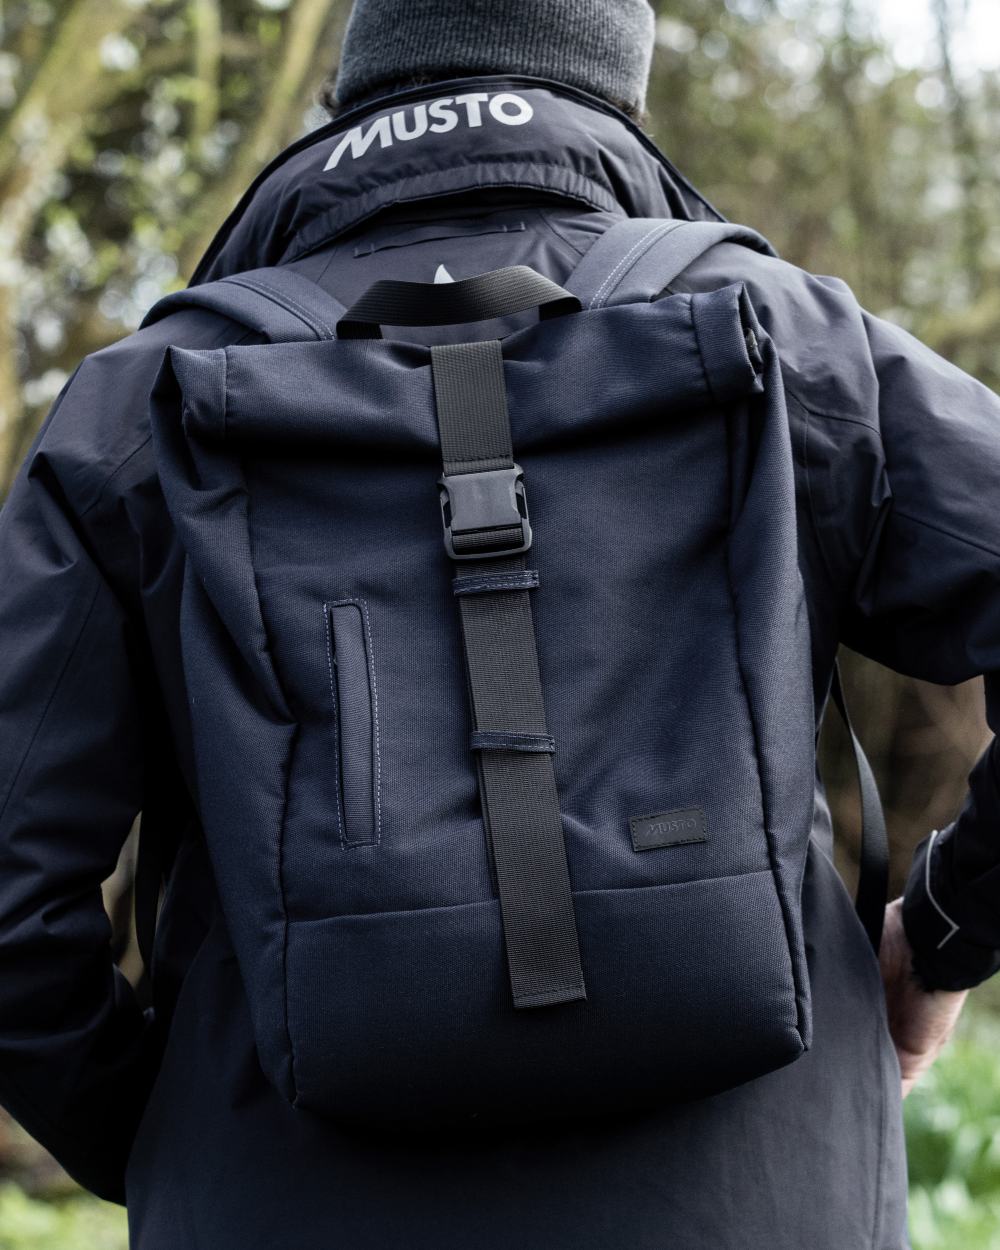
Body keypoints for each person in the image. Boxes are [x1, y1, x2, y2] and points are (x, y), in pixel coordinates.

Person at [0, 1, 994, 1245]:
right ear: (616, 94)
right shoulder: (792, 344)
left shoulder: (139, 410)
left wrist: (161, 1126)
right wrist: (947, 929)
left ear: (354, 96)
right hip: (761, 1196)